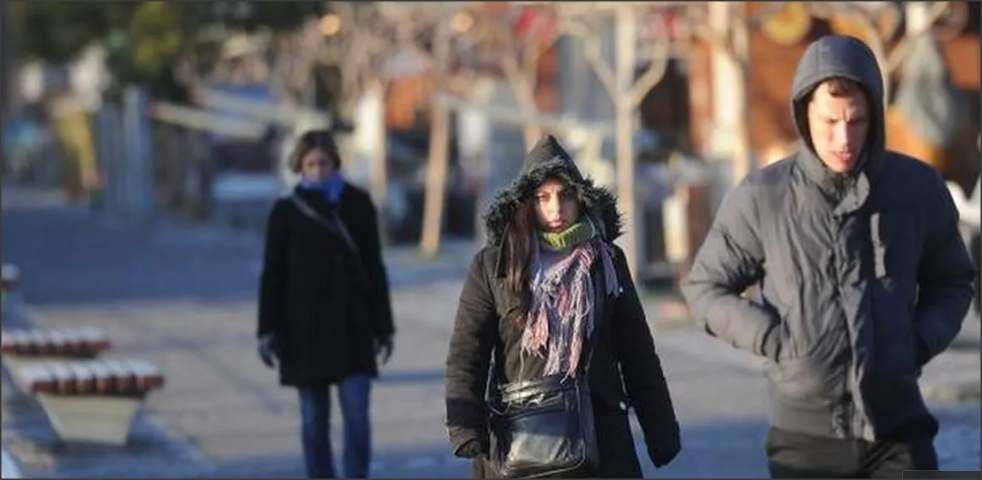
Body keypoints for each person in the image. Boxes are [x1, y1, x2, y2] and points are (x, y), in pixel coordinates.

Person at [681, 35, 976, 478]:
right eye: (829, 121)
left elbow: (952, 281)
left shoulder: (915, 188)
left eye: (856, 120)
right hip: (805, 441)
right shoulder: (765, 196)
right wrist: (776, 341)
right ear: (804, 114)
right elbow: (704, 288)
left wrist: (917, 342)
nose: (843, 137)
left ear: (874, 113)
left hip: (899, 430)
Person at [445, 135, 681, 478]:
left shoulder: (606, 261)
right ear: (526, 203)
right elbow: (468, 352)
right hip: (521, 439)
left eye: (565, 195)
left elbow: (637, 353)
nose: (555, 208)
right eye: (542, 198)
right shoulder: (494, 265)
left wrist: (661, 431)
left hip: (600, 439)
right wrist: (466, 426)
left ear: (580, 199)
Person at [257, 129, 395, 478]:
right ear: (300, 167)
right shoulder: (285, 212)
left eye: (325, 162)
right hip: (303, 334)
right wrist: (266, 330)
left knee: (358, 421)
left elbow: (374, 268)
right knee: (314, 423)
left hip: (353, 330)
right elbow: (272, 276)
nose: (319, 170)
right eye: (311, 163)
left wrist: (384, 327)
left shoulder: (358, 204)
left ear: (336, 163)